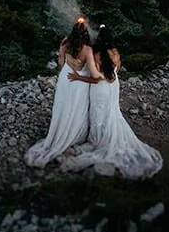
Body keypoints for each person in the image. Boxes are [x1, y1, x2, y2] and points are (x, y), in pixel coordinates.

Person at [62, 24, 163, 178]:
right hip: (113, 87)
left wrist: (79, 77)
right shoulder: (116, 53)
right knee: (112, 112)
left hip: (99, 89)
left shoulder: (96, 53)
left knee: (98, 114)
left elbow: (95, 79)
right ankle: (107, 138)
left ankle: (98, 140)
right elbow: (117, 71)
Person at [24, 18, 95, 167]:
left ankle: (58, 131)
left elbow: (61, 62)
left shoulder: (65, 43)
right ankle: (73, 135)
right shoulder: (87, 49)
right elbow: (91, 70)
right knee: (76, 108)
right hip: (78, 80)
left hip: (65, 77)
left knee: (63, 106)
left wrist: (68, 68)